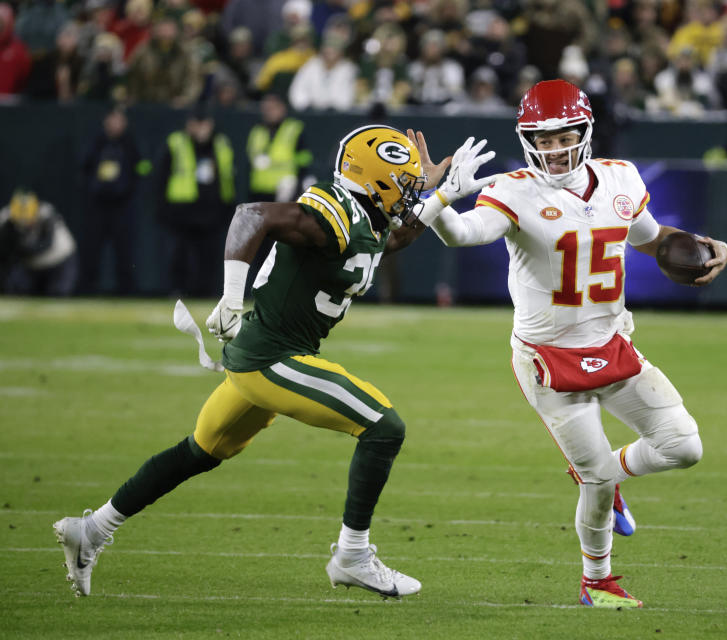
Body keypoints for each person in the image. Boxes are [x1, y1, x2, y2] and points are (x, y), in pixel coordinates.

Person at [53, 124, 453, 599]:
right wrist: (230, 296)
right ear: (377, 181)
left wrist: (443, 195)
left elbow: (389, 241)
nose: (411, 193)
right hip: (273, 356)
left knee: (198, 453)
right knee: (383, 426)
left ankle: (93, 529)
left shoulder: (364, 219)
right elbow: (251, 215)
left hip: (267, 357)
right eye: (405, 184)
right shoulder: (332, 214)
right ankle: (353, 554)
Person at [414, 79, 727, 608]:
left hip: (611, 343)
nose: (553, 149)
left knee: (683, 447)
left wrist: (709, 246)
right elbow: (462, 234)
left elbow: (650, 237)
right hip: (548, 359)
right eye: (542, 138)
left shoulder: (619, 178)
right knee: (597, 483)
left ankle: (605, 471)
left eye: (564, 137)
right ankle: (597, 582)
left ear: (585, 132)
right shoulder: (513, 189)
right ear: (526, 139)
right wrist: (441, 195)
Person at [156, 105, 236, 296]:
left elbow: (228, 176)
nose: (201, 128)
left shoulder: (221, 143)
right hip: (183, 208)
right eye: (196, 123)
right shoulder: (176, 142)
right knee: (180, 253)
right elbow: (161, 177)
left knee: (209, 254)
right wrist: (163, 207)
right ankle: (178, 289)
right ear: (188, 125)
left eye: (204, 123)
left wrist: (228, 205)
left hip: (211, 209)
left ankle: (206, 291)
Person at [80, 105, 147, 294]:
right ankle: (88, 287)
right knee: (92, 248)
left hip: (122, 205)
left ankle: (126, 289)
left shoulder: (132, 143)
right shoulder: (95, 142)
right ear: (105, 121)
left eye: (119, 120)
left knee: (124, 249)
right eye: (112, 119)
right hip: (98, 205)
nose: (115, 124)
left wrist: (127, 187)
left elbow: (142, 168)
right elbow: (84, 167)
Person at [0, 189, 78, 296]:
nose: (24, 225)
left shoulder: (46, 215)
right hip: (30, 266)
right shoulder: (6, 219)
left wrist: (22, 249)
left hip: (58, 261)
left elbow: (46, 244)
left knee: (57, 294)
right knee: (18, 292)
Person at [246, 92, 312, 203]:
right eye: (266, 108)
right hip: (259, 191)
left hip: (285, 191)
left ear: (282, 108)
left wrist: (298, 185)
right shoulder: (257, 131)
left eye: (273, 108)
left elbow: (304, 159)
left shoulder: (294, 128)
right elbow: (249, 159)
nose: (269, 111)